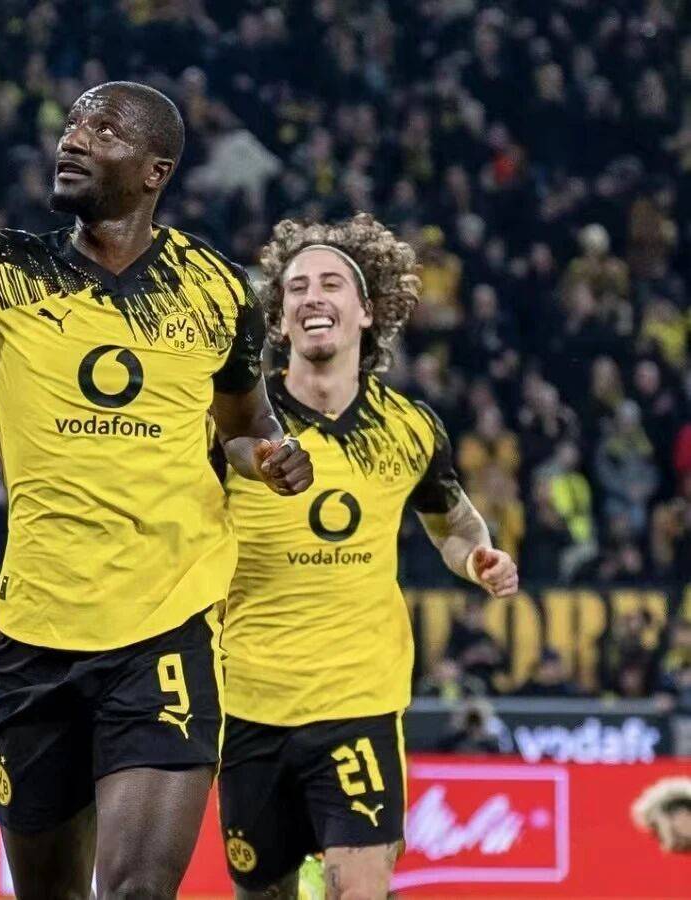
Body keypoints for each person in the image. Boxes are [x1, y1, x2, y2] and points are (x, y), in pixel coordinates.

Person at [0, 83, 314, 899]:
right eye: (72, 125)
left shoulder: (216, 288)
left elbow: (245, 425)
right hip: (37, 639)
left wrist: (271, 458)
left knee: (138, 890)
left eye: (102, 130)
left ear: (155, 170)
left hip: (166, 629)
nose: (73, 139)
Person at [217, 215, 519, 900]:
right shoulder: (235, 424)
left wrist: (479, 558)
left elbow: (453, 523)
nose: (311, 296)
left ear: (367, 310)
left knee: (359, 888)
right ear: (279, 318)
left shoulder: (410, 428)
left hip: (360, 700)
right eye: (296, 288)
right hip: (249, 700)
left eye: (331, 284)